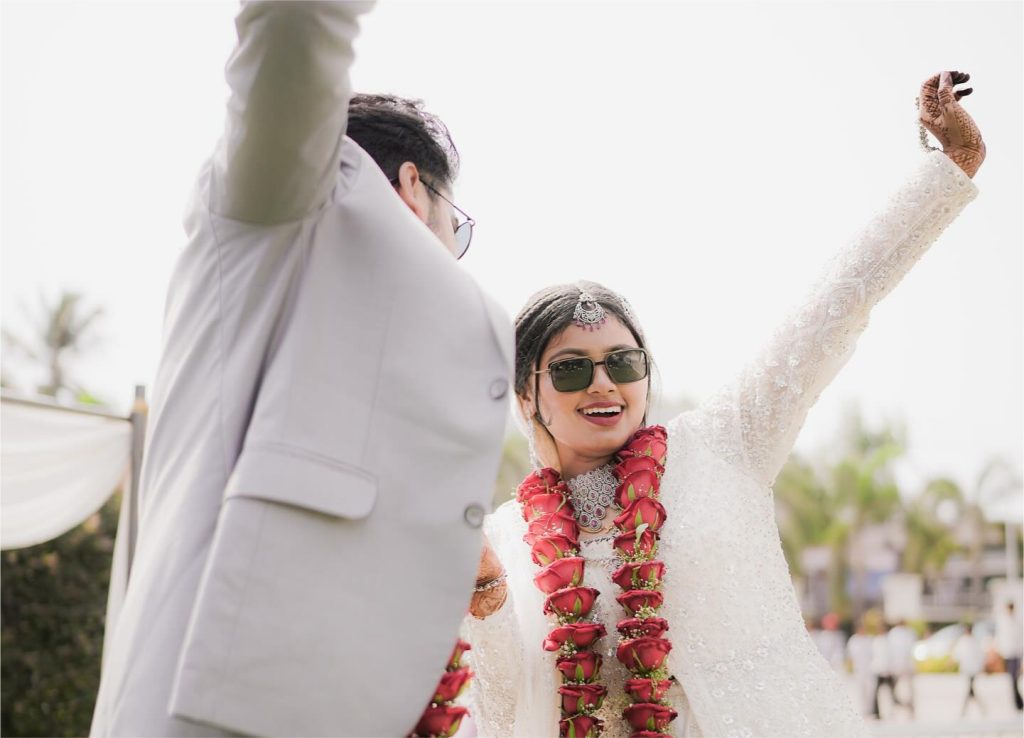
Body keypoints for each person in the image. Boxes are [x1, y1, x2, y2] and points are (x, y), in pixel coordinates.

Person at [462, 72, 984, 737]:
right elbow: (503, 713)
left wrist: (948, 172)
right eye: (571, 370)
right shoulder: (506, 536)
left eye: (623, 363)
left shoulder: (722, 445)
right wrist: (487, 592)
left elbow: (833, 307)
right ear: (527, 393)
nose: (603, 384)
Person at [90, 3, 512, 737]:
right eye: (459, 226)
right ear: (413, 188)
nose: (456, 250)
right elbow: (294, 31)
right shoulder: (274, 213)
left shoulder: (379, 360)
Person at [953, 624, 987, 717]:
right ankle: (981, 708)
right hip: (967, 669)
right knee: (971, 690)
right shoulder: (964, 641)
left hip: (973, 669)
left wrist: (981, 667)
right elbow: (958, 655)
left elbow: (980, 656)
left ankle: (965, 710)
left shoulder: (974, 641)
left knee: (970, 689)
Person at [996, 601, 1024, 711]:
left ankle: (1018, 703)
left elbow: (1021, 639)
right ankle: (1019, 703)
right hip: (1008, 653)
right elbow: (1001, 637)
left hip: (1016, 653)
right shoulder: (1003, 621)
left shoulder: (1018, 622)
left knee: (1014, 678)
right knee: (1012, 679)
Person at [887, 619, 917, 717]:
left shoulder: (909, 632)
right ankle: (895, 707)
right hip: (897, 665)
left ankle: (911, 708)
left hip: (906, 664)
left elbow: (912, 648)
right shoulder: (893, 633)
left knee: (909, 688)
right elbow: (890, 650)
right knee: (895, 688)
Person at [847, 620, 876, 717]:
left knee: (870, 690)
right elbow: (850, 656)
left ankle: (869, 710)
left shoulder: (870, 639)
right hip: (858, 669)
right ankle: (863, 710)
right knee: (860, 691)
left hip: (870, 669)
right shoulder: (853, 640)